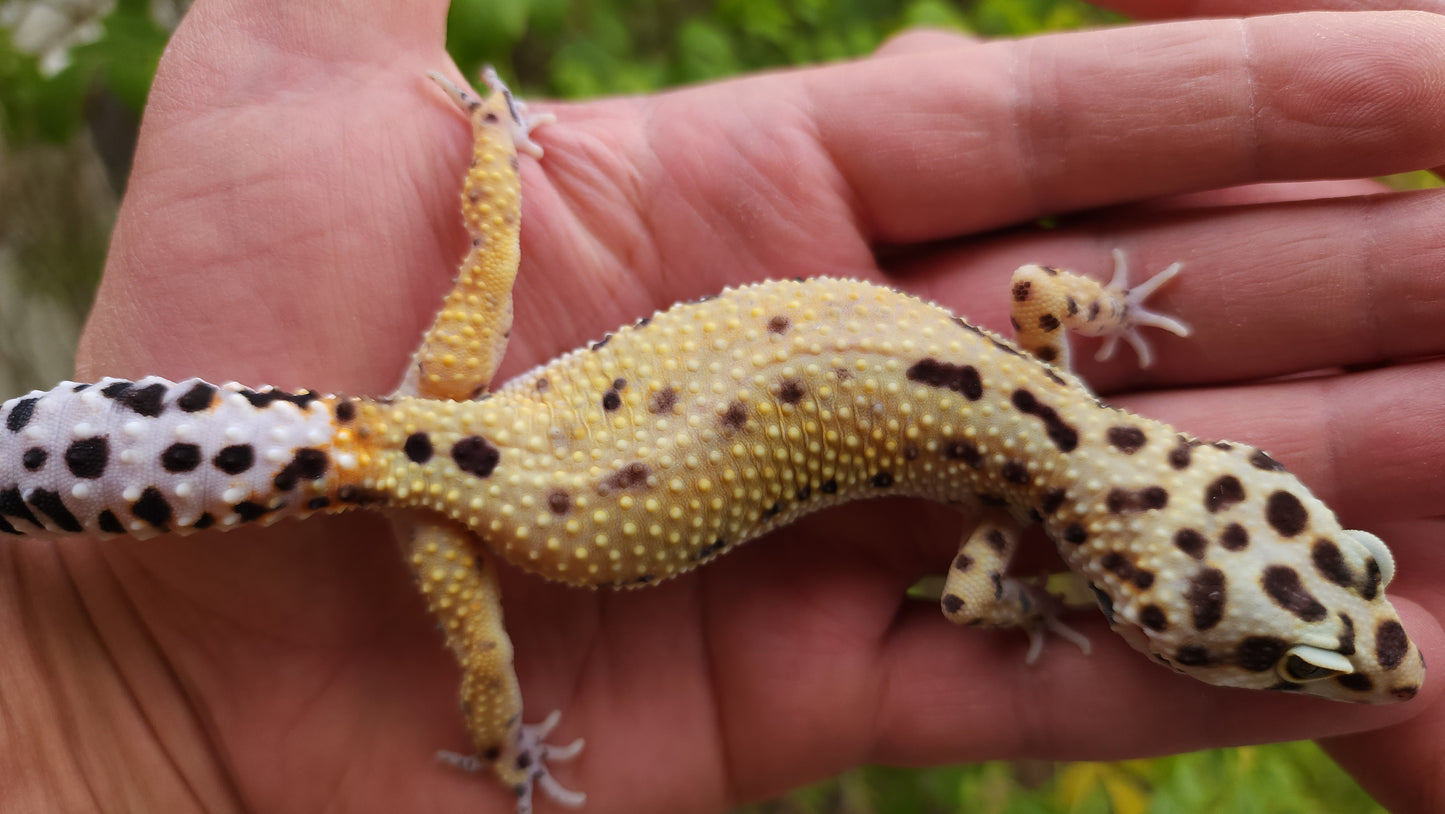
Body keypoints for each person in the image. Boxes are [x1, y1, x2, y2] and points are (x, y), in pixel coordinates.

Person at [9, 1, 1443, 811]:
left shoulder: (1042, 360)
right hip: (476, 491)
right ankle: (503, 744)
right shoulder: (1007, 530)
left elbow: (1045, 302)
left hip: (464, 439)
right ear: (1135, 589)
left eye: (1290, 655)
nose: (1330, 656)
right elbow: (965, 600)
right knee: (489, 661)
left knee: (489, 250)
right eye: (1291, 651)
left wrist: (496, 156)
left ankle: (498, 151)